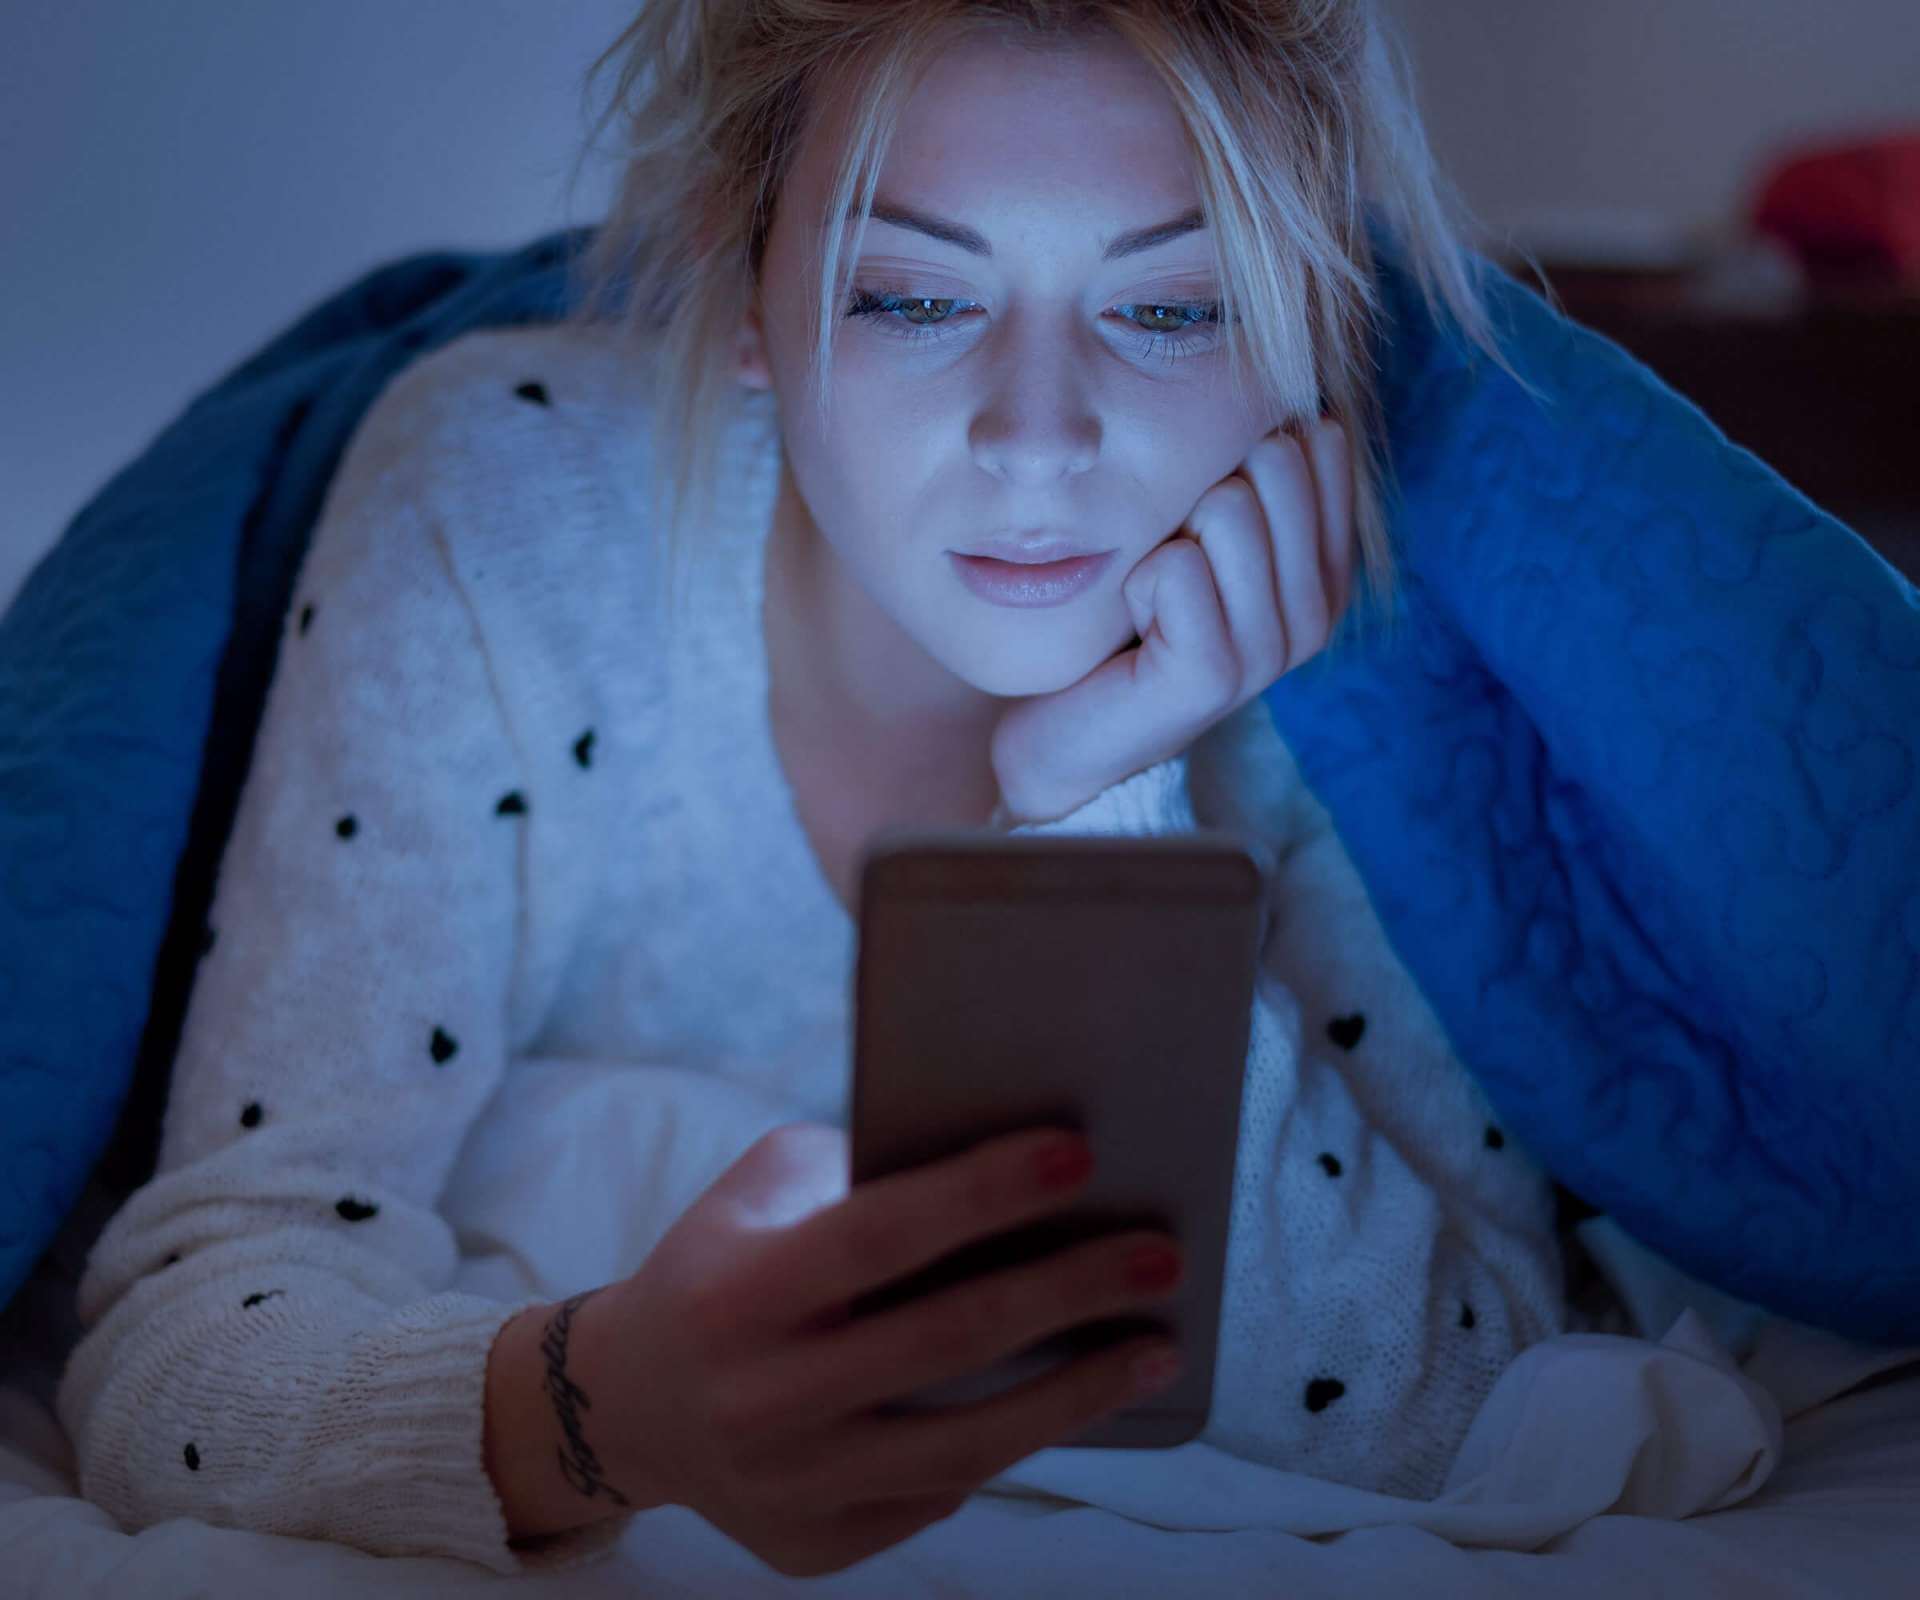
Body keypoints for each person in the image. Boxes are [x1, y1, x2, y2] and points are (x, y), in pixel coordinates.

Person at [56, 1, 1572, 1581]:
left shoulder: (1339, 658)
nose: (1035, 439)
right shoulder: (507, 517)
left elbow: (1480, 1394)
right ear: (744, 293)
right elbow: (181, 1349)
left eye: (1176, 310)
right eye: (911, 297)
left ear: (1306, 334)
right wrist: (602, 1413)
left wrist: (1095, 804)